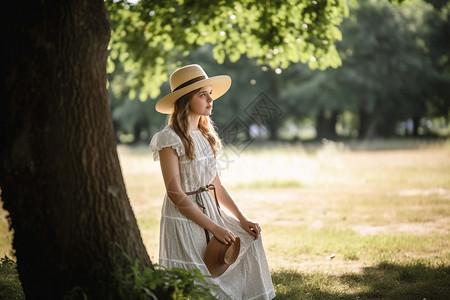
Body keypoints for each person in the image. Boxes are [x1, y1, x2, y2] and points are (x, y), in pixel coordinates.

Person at [149, 64, 275, 300]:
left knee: (249, 238)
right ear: (186, 100)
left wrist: (241, 218)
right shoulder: (169, 138)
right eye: (202, 95)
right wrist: (213, 227)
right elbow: (175, 192)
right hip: (184, 215)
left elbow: (215, 183)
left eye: (210, 94)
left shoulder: (207, 135)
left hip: (210, 206)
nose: (210, 100)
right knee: (196, 277)